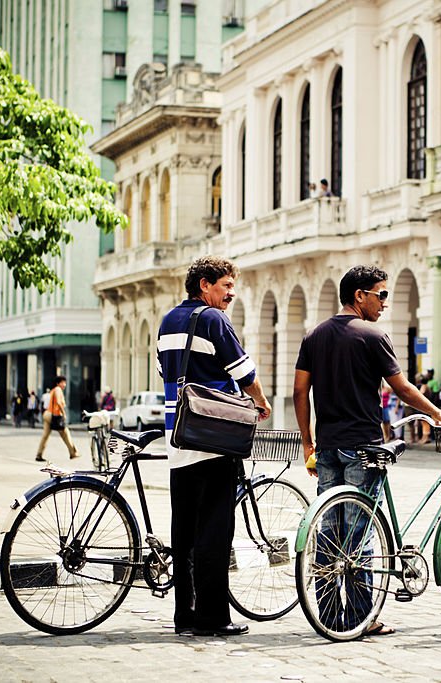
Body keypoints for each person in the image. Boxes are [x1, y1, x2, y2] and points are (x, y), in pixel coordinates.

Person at [293, 264, 441, 636]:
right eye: (381, 294)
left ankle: (331, 615)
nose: (385, 303)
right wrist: (438, 414)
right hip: (363, 446)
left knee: (329, 531)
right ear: (359, 296)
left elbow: (300, 392)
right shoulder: (372, 335)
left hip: (329, 446)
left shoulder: (313, 336)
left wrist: (308, 443)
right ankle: (363, 618)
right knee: (360, 531)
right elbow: (401, 388)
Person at [157, 256, 271, 638]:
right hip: (213, 438)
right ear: (204, 285)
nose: (231, 295)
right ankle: (212, 617)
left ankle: (184, 614)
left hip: (179, 435)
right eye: (225, 287)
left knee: (184, 531)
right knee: (214, 530)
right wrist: (261, 401)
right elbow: (244, 373)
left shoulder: (168, 320)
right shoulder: (213, 320)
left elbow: (164, 372)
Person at [35, 376, 80, 461]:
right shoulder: (58, 390)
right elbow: (59, 403)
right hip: (54, 415)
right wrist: (64, 413)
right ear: (58, 383)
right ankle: (73, 453)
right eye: (63, 382)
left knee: (45, 436)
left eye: (65, 382)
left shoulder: (53, 390)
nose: (64, 384)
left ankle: (39, 454)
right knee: (65, 433)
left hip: (47, 414)